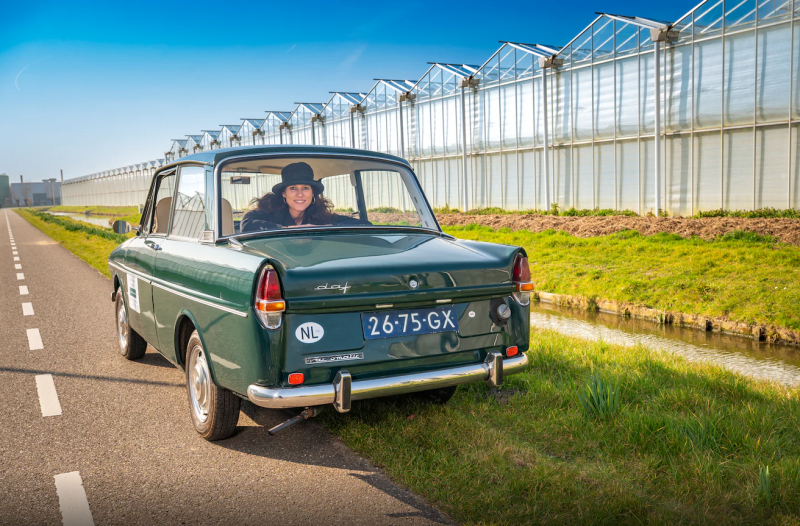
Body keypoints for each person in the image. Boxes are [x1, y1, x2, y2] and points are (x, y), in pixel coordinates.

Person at [240, 162, 368, 233]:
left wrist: (325, 227)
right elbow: (247, 224)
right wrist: (286, 229)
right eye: (293, 188)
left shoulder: (320, 216)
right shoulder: (270, 212)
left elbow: (364, 225)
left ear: (313, 193)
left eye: (305, 188)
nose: (300, 194)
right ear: (284, 193)